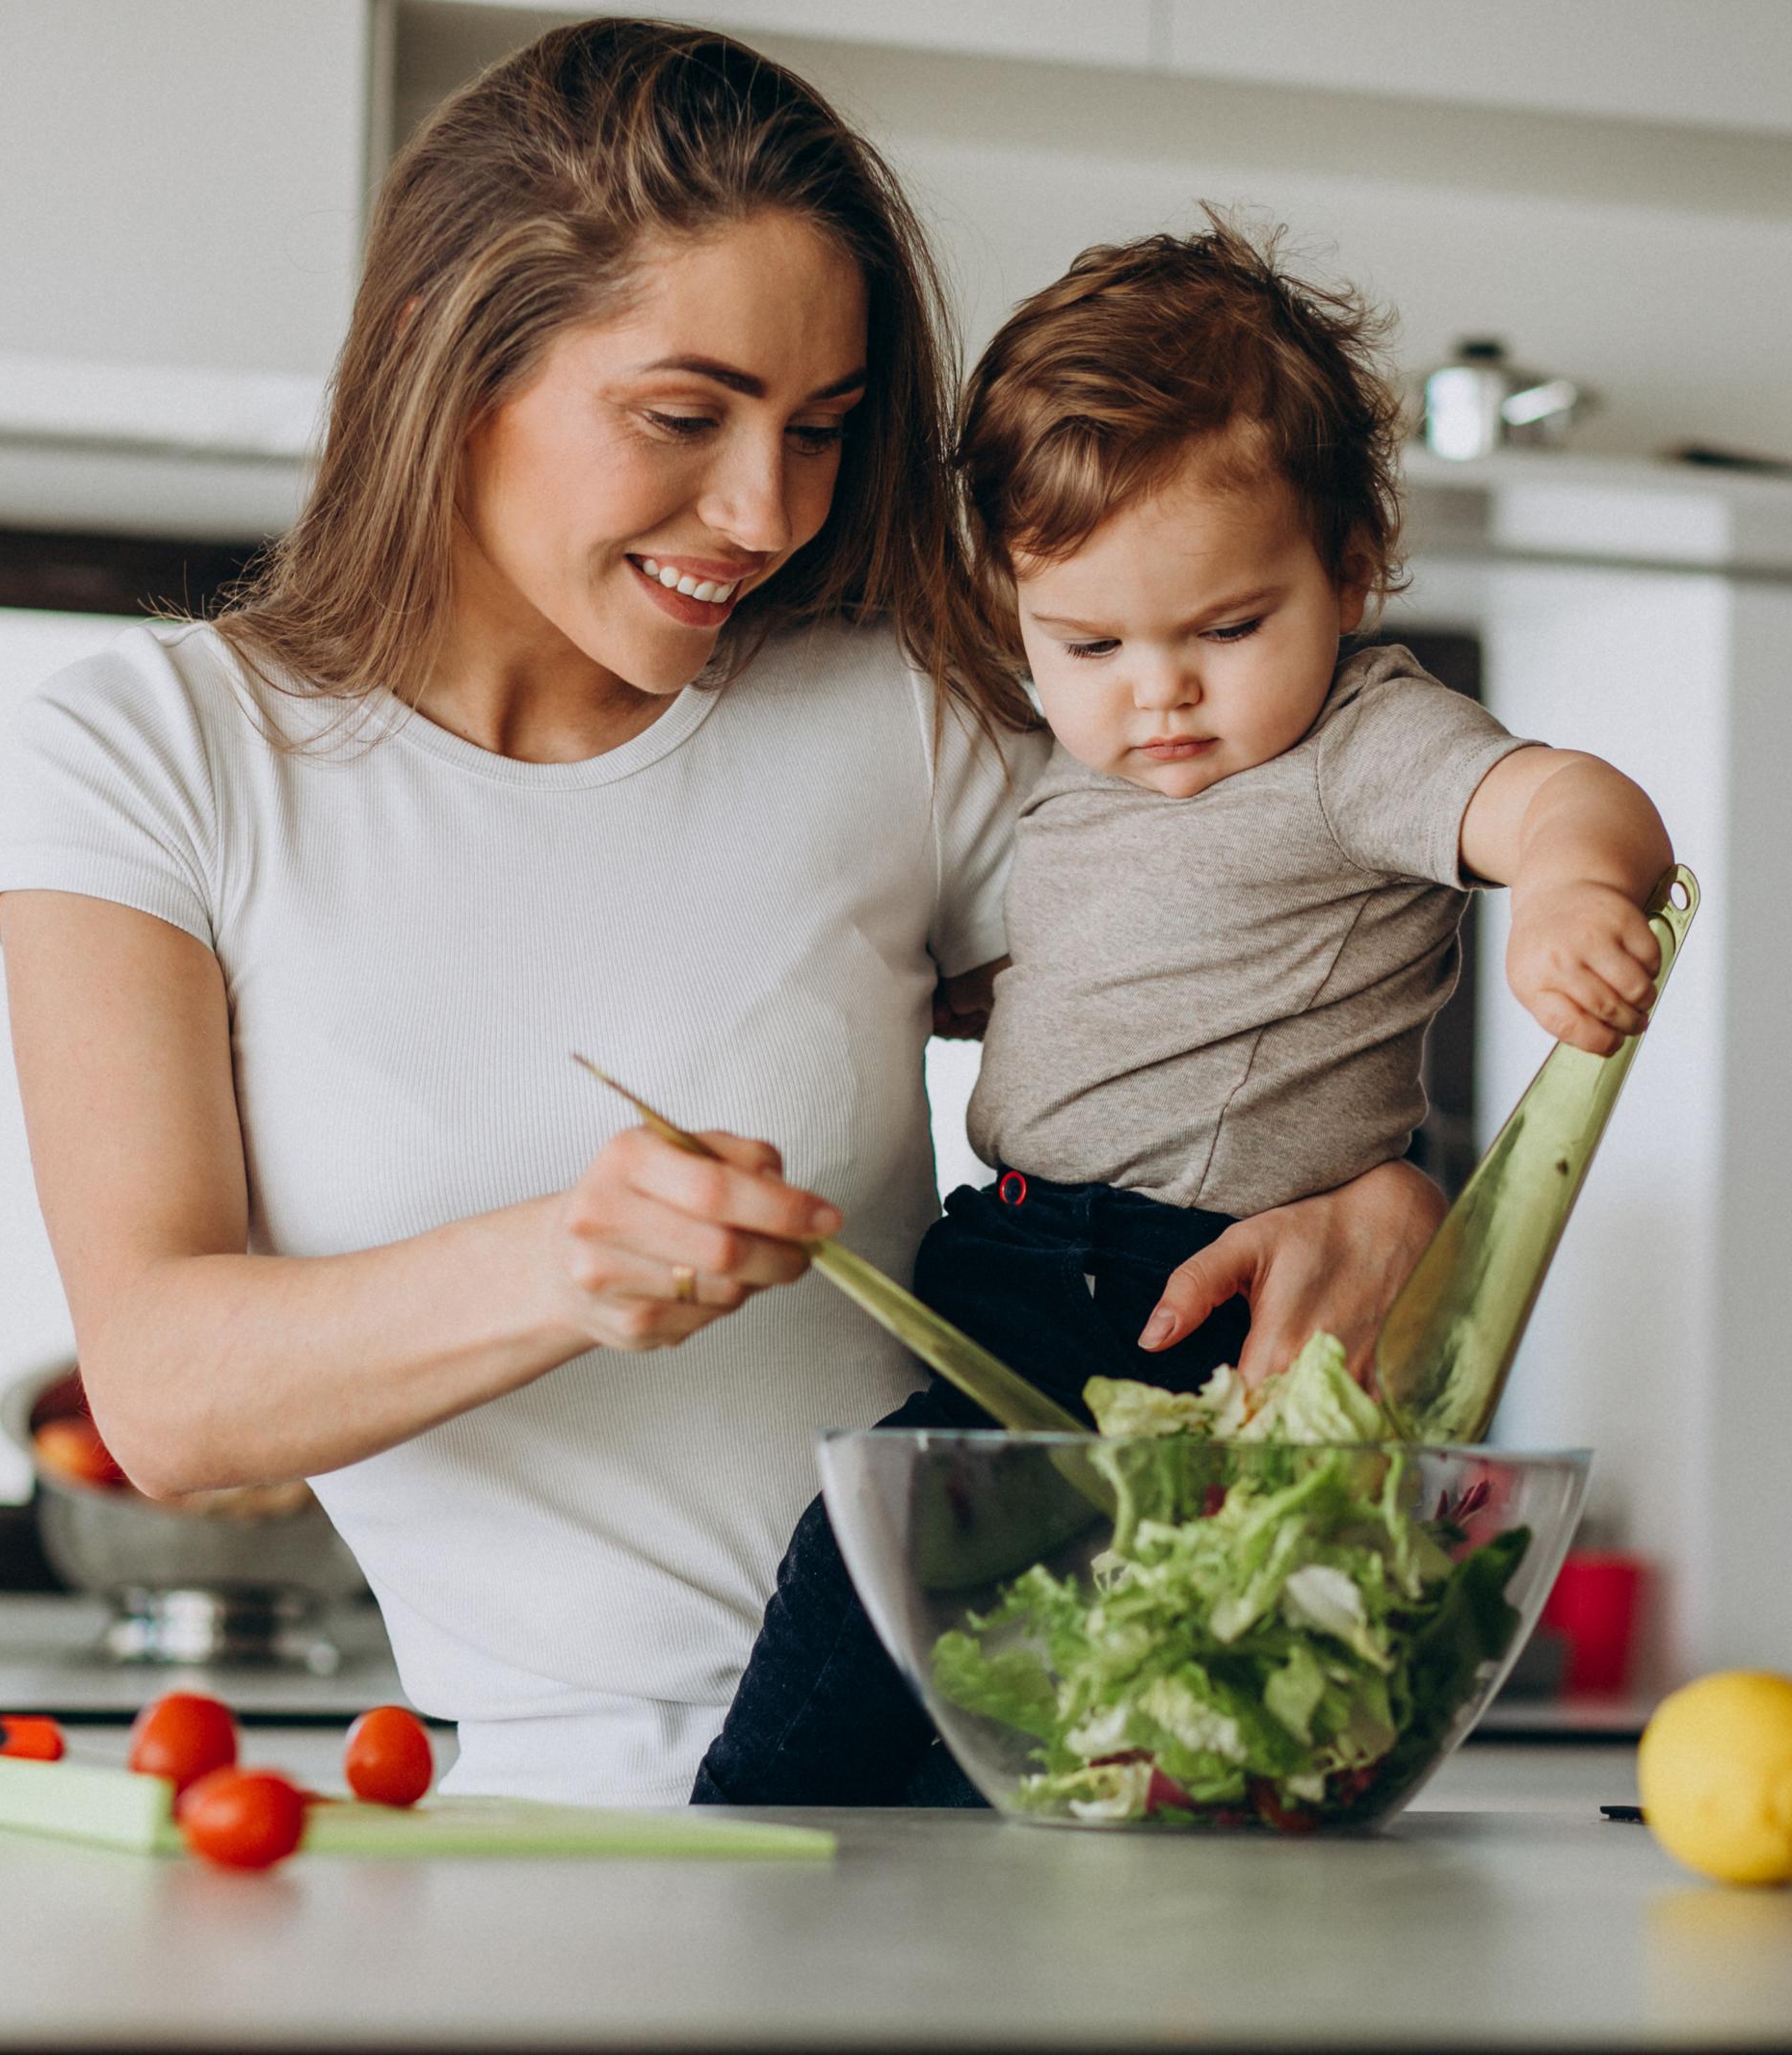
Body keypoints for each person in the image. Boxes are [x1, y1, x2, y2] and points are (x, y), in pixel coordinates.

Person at [0, 26, 1448, 1808]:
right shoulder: (163, 757)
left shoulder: (886, 713)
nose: (769, 509)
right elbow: (167, 1392)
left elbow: (1239, 999)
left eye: (822, 428)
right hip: (575, 1822)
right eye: (683, 418)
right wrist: (563, 1260)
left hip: (1046, 1761)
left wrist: (1390, 1196)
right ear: (462, 368)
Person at [695, 217, 1675, 1806]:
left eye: (1228, 629)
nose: (1161, 693)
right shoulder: (1085, 768)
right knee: (971, 1648)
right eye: (1089, 643)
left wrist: (1572, 889)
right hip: (1011, 1255)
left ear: (1350, 568)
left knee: (895, 1601)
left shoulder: (1360, 740)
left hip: (1170, 1295)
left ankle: (767, 1857)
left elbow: (1567, 795)